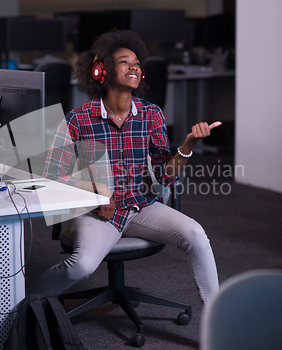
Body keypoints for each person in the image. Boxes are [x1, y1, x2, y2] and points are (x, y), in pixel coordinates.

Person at [30, 29, 220, 304]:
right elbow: (51, 176)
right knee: (82, 265)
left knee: (196, 235)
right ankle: (23, 305)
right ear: (101, 72)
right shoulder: (77, 119)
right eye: (124, 62)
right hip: (99, 213)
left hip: (140, 206)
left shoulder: (151, 114)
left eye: (137, 64)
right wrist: (96, 192)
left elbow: (164, 177)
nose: (134, 66)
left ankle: (219, 319)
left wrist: (187, 146)